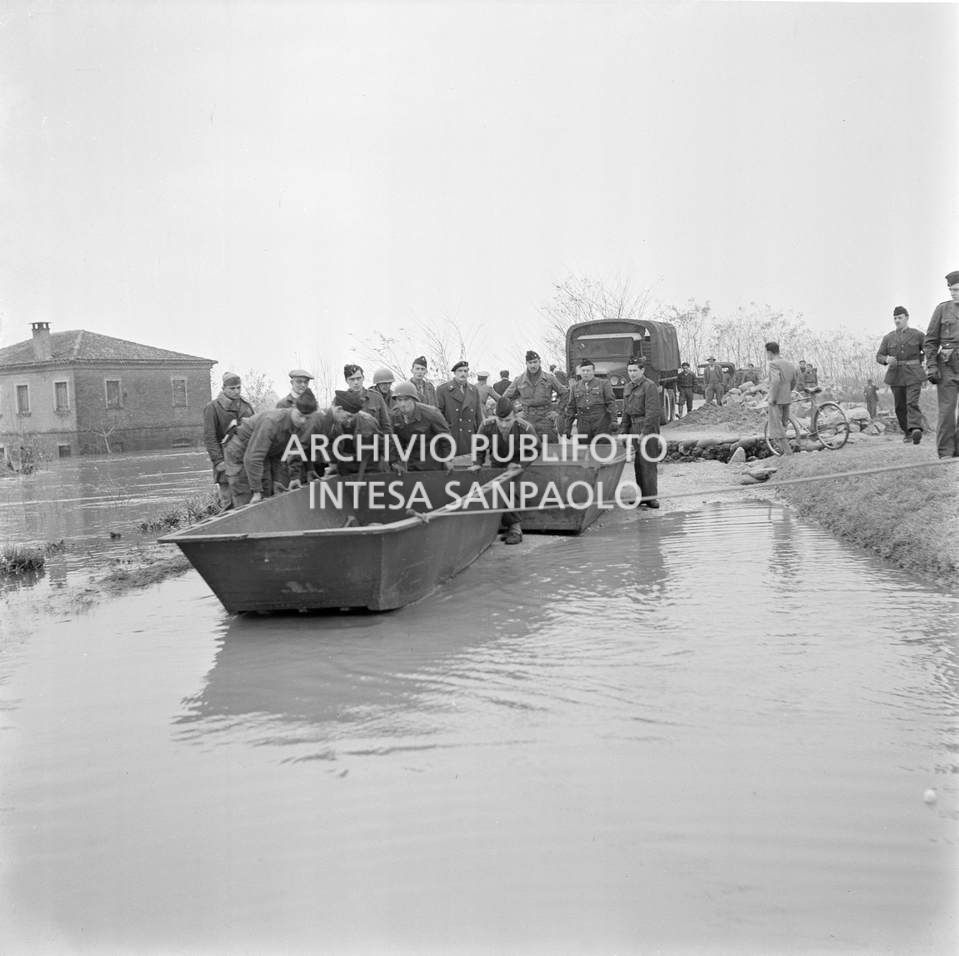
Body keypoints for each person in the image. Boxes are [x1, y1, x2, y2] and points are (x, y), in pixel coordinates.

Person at [223, 389, 319, 506]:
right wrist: (256, 491)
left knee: (267, 489)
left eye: (307, 418)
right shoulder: (272, 422)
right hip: (240, 449)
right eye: (300, 416)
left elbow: (288, 452)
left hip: (266, 452)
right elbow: (253, 457)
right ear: (293, 408)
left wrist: (292, 478)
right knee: (246, 496)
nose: (303, 421)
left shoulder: (301, 426)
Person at [471, 396, 538, 544]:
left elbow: (535, 449)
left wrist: (521, 464)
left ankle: (516, 530)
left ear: (515, 417)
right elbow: (479, 447)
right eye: (500, 420)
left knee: (510, 491)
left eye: (507, 420)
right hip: (497, 462)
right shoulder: (486, 425)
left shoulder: (525, 428)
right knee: (497, 494)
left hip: (516, 463)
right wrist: (477, 463)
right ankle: (507, 528)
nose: (503, 424)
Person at [202, 372, 255, 509]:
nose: (236, 391)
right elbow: (210, 437)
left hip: (245, 462)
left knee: (247, 502)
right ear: (223, 388)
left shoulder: (246, 406)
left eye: (239, 388)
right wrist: (218, 461)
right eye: (232, 388)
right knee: (229, 504)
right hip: (225, 461)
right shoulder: (212, 408)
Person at [877, 306, 926, 444]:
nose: (897, 321)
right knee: (900, 406)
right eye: (895, 318)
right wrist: (886, 360)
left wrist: (928, 363)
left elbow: (929, 348)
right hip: (896, 376)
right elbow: (879, 355)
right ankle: (907, 432)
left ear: (907, 318)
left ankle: (916, 428)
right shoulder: (888, 338)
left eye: (900, 318)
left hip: (914, 374)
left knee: (912, 402)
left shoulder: (918, 335)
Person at [924, 270, 959, 458]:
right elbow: (930, 341)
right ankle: (945, 452)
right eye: (952, 290)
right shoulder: (942, 309)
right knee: (947, 410)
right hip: (947, 365)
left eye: (958, 290)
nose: (954, 294)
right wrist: (931, 365)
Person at [620, 357, 662, 508]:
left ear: (642, 370)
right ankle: (642, 496)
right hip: (633, 427)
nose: (632, 373)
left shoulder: (649, 386)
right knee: (638, 464)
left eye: (635, 370)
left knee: (648, 463)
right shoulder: (628, 387)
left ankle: (651, 498)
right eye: (629, 370)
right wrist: (623, 431)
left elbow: (653, 412)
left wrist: (645, 432)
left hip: (647, 427)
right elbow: (625, 411)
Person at [504, 350, 569, 443]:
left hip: (545, 419)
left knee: (551, 450)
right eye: (530, 363)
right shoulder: (519, 380)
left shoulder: (549, 378)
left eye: (535, 362)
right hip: (526, 419)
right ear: (526, 363)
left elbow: (565, 393)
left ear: (539, 362)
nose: (533, 365)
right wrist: (514, 414)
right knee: (527, 450)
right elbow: (505, 398)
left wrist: (557, 411)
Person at [389, 381, 454, 471]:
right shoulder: (394, 416)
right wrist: (395, 461)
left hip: (433, 458)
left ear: (414, 399)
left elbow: (446, 437)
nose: (403, 404)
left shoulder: (431, 414)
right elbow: (394, 441)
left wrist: (448, 460)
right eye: (399, 400)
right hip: (411, 460)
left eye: (406, 399)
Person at [435, 360, 483, 456]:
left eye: (465, 371)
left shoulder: (473, 390)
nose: (463, 374)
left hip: (470, 435)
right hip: (452, 435)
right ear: (455, 373)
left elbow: (478, 414)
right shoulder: (443, 389)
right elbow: (438, 415)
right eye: (460, 371)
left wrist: (480, 435)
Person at [563, 358, 616, 439]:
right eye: (583, 371)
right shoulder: (575, 387)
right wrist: (567, 428)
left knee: (603, 449)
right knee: (584, 450)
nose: (585, 373)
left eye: (588, 370)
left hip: (601, 423)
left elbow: (611, 403)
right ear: (580, 372)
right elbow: (571, 408)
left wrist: (614, 421)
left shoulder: (604, 384)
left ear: (593, 371)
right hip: (583, 425)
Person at [765, 341, 798, 456]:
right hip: (786, 398)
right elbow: (794, 381)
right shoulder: (789, 364)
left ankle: (788, 453)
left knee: (776, 426)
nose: (767, 356)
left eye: (767, 353)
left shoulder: (773, 364)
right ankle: (786, 450)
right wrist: (788, 391)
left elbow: (775, 381)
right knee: (784, 423)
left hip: (777, 399)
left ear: (769, 352)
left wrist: (772, 398)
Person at [343, 364, 393, 437]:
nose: (356, 382)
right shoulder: (340, 400)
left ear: (363, 378)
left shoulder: (376, 397)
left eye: (358, 378)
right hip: (352, 444)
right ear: (346, 381)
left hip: (375, 443)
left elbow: (386, 426)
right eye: (352, 379)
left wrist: (387, 445)